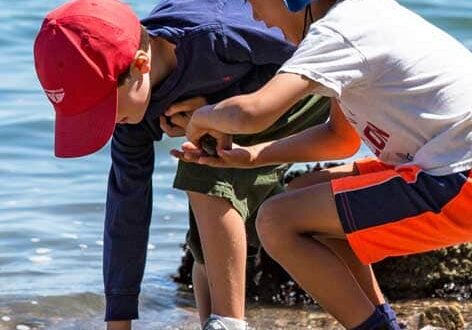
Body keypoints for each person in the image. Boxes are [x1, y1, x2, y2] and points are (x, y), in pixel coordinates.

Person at [175, 0, 472, 329]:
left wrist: (201, 118)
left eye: (253, 1)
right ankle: (383, 321)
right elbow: (339, 139)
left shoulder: (339, 30)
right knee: (306, 191)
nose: (254, 15)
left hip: (458, 177)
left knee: (276, 220)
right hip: (447, 163)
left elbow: (253, 112)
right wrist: (254, 156)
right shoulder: (363, 15)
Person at [33, 0, 330, 329]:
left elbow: (310, 52)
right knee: (206, 236)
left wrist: (217, 110)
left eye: (103, 107)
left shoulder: (217, 37)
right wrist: (119, 319)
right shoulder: (132, 114)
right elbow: (126, 212)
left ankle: (229, 323)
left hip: (307, 85)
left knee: (203, 167)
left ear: (140, 65)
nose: (107, 122)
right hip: (246, 113)